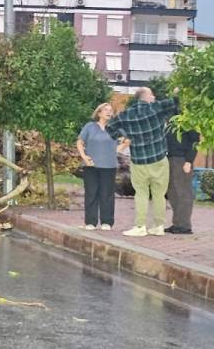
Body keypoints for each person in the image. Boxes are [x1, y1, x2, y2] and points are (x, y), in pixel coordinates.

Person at [106, 87, 179, 237]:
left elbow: (109, 128)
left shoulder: (126, 115)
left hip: (139, 161)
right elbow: (175, 102)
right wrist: (176, 92)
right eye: (152, 94)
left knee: (141, 194)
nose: (154, 97)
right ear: (145, 96)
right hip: (159, 159)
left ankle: (140, 226)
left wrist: (126, 135)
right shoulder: (156, 108)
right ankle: (158, 226)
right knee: (159, 194)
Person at [75, 102, 122, 230]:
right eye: (105, 110)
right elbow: (79, 142)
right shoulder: (89, 127)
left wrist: (117, 149)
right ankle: (90, 222)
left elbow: (128, 139)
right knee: (91, 193)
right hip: (91, 166)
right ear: (99, 113)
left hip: (109, 166)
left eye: (110, 110)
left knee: (107, 194)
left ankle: (107, 222)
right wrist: (84, 156)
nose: (108, 112)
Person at [165, 125, 201, 234]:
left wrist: (189, 161)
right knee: (173, 193)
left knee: (183, 192)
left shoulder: (188, 122)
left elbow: (195, 142)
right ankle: (177, 223)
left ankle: (184, 225)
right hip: (170, 159)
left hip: (182, 160)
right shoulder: (170, 123)